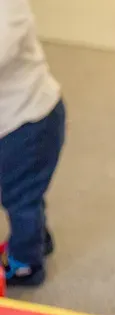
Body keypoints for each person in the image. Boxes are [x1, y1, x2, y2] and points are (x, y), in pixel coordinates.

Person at [0, 0, 65, 287]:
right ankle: (38, 236)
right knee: (23, 190)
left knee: (20, 197)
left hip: (28, 123)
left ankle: (26, 265)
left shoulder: (9, 9)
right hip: (12, 122)